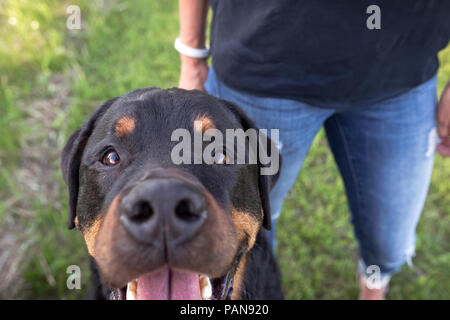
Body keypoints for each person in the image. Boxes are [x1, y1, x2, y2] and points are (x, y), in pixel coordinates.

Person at [176, 0, 450, 299]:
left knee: (390, 240)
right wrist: (191, 56)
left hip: (403, 69)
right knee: (244, 222)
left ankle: (374, 286)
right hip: (261, 71)